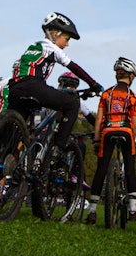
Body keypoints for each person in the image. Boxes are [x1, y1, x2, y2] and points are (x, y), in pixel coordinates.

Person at [8, 12, 102, 152]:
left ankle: (0, 162)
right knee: (72, 104)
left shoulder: (31, 48)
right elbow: (73, 67)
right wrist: (93, 84)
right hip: (34, 86)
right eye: (66, 38)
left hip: (14, 88)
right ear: (55, 34)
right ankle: (58, 147)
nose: (67, 44)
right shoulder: (51, 48)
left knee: (14, 134)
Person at [84, 57, 136, 224]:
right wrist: (134, 140)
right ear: (130, 76)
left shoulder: (107, 93)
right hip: (126, 131)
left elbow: (99, 118)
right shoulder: (133, 96)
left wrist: (96, 139)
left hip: (108, 131)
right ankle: (132, 208)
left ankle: (92, 210)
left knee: (101, 169)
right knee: (130, 169)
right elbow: (135, 122)